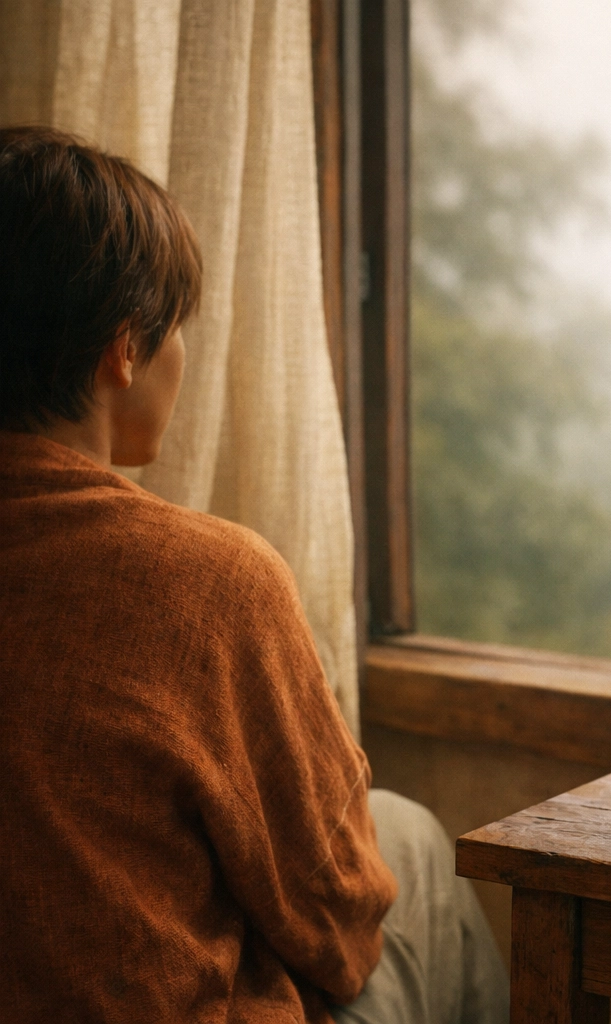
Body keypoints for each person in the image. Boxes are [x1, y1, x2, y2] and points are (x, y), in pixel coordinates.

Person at [0, 126, 508, 1024]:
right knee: (416, 846)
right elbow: (340, 928)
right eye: (178, 330)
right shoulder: (204, 583)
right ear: (123, 348)